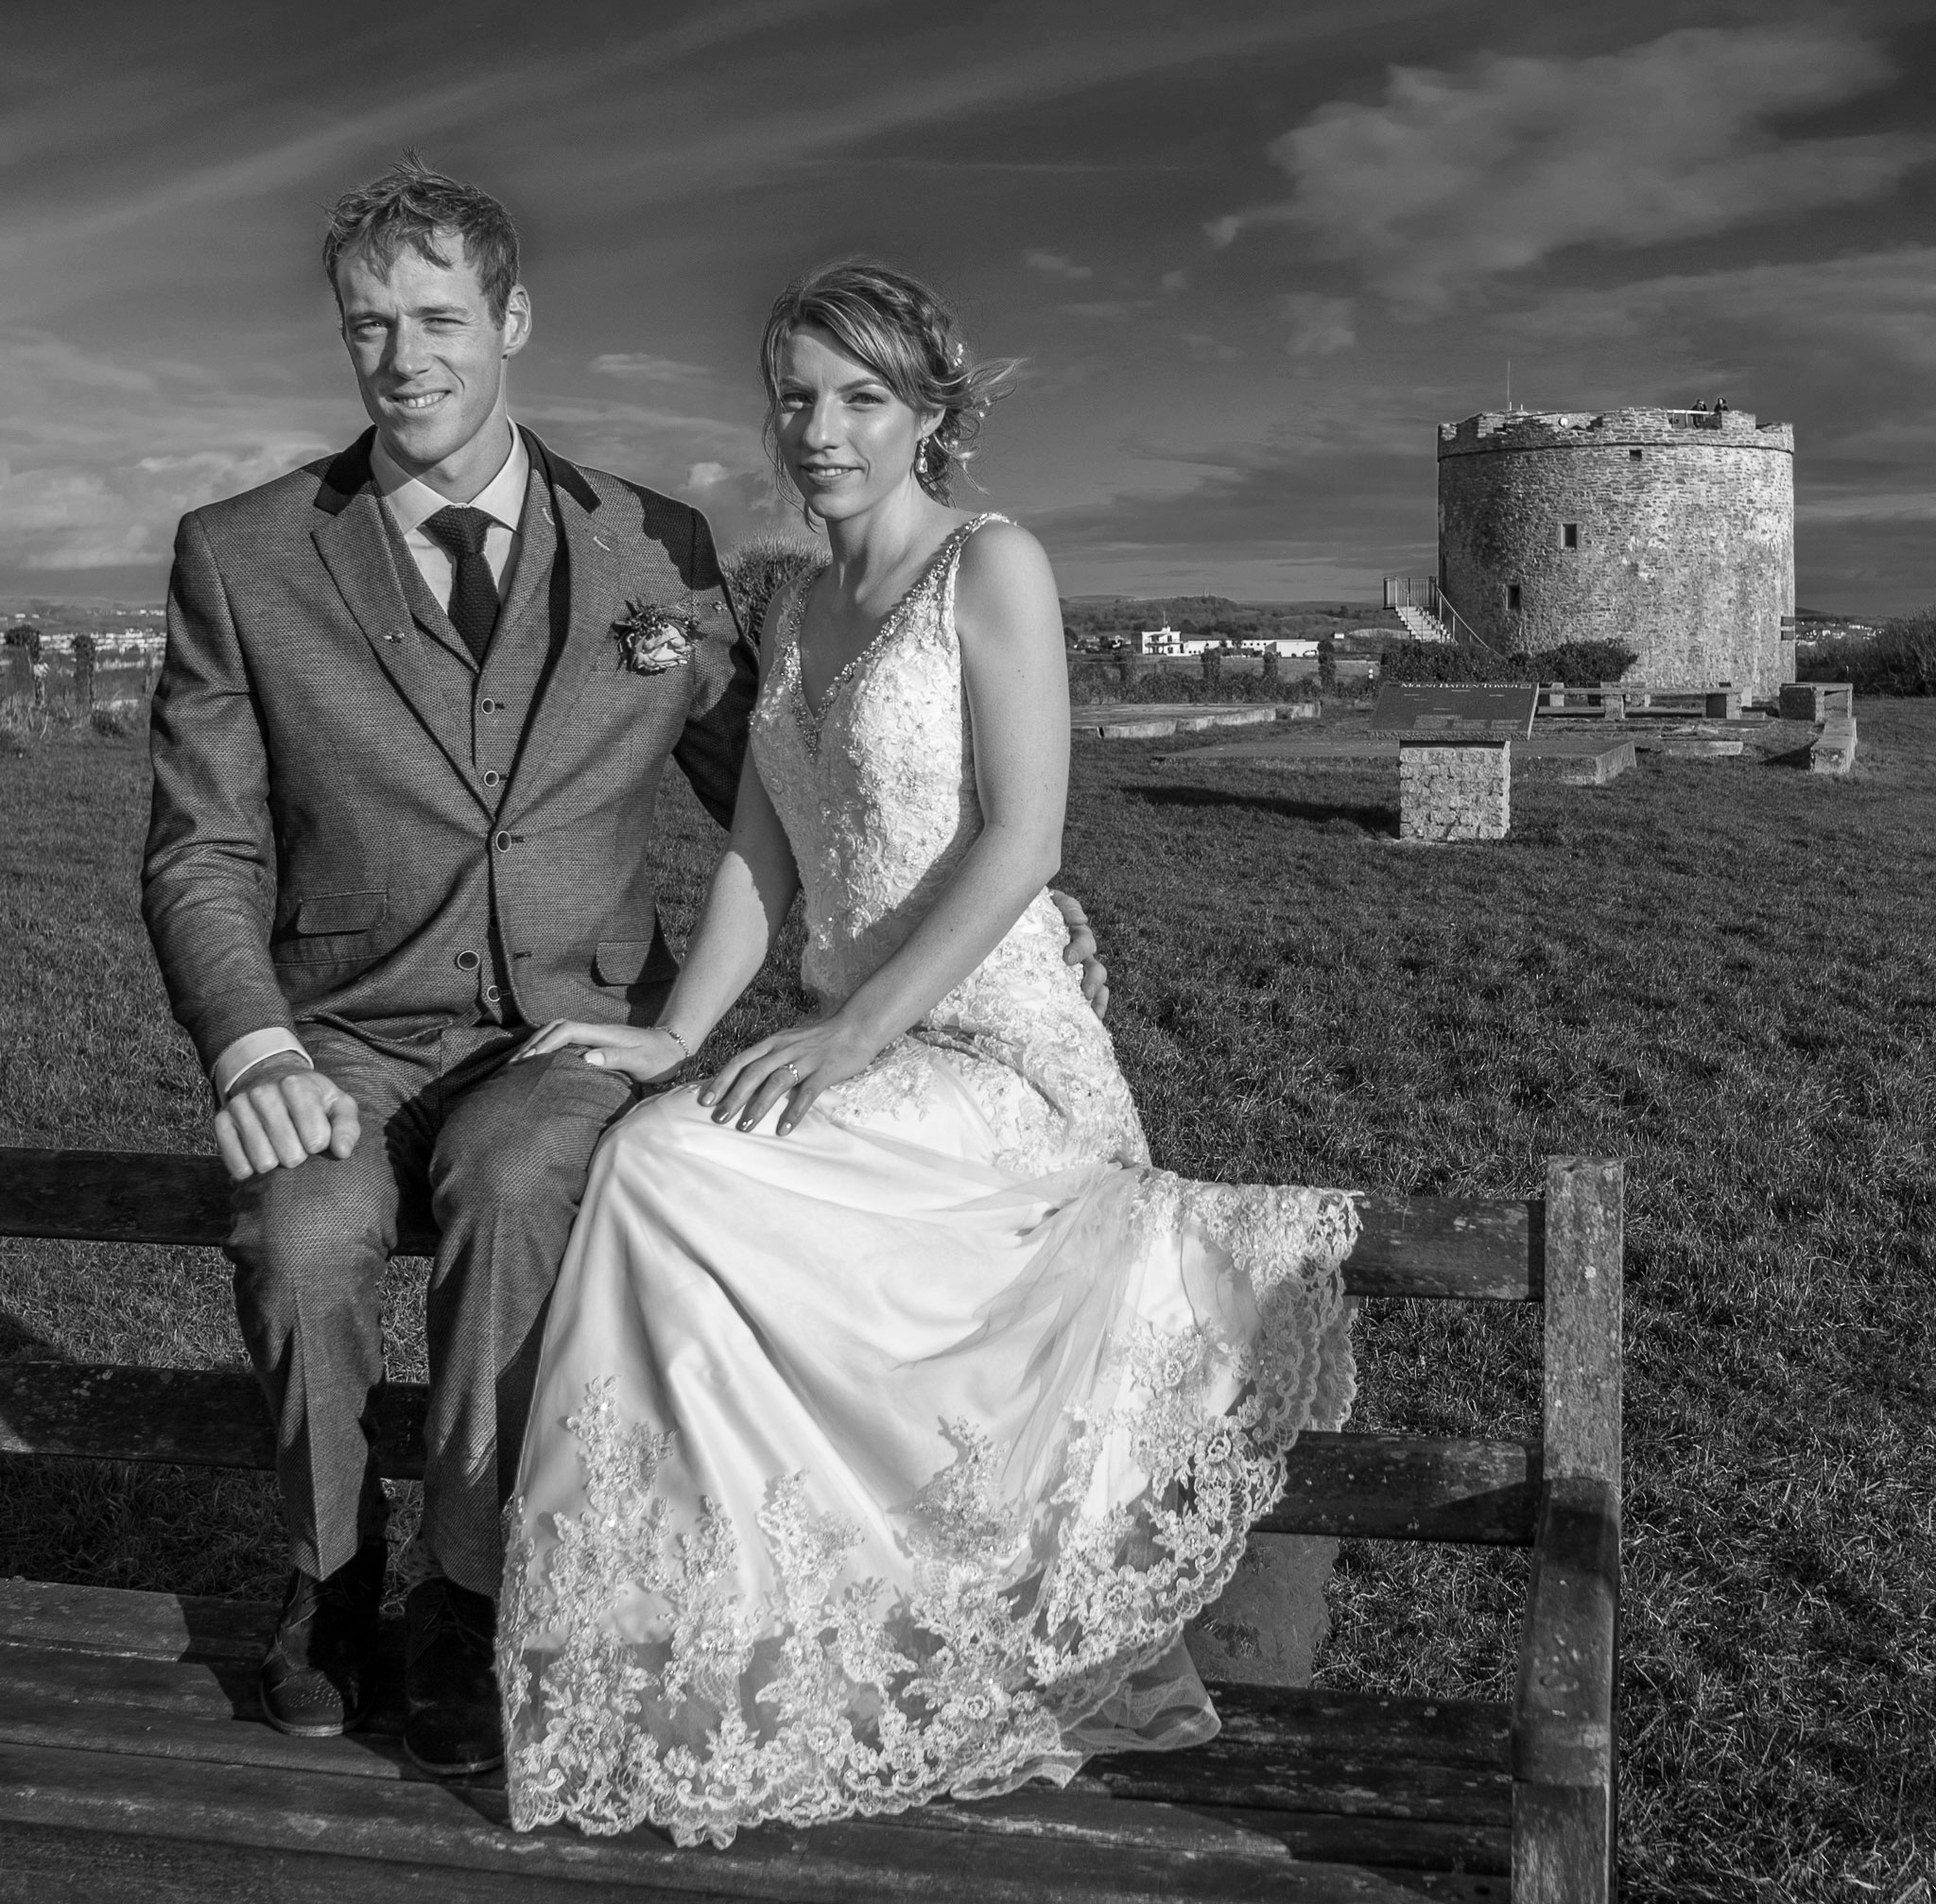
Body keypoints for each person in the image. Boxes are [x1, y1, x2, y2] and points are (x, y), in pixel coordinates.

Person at [140, 160, 1113, 1776]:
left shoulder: (659, 548)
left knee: (530, 1180)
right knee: (306, 1227)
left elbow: (784, 782)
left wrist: (996, 906)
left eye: (441, 315)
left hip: (562, 1024)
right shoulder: (241, 553)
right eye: (369, 324)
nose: (406, 355)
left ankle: (467, 1589)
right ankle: (330, 1581)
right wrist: (256, 1051)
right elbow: (202, 848)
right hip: (345, 1032)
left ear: (512, 320)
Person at [499, 262, 1357, 1846]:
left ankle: (823, 1623)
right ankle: (720, 1638)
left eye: (862, 398)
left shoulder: (994, 566)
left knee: (673, 1169)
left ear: (933, 415)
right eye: (797, 394)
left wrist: (847, 1031)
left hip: (998, 1047)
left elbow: (1024, 841)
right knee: (664, 1150)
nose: (819, 429)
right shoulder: (779, 603)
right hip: (861, 1044)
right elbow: (766, 847)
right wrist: (679, 1028)